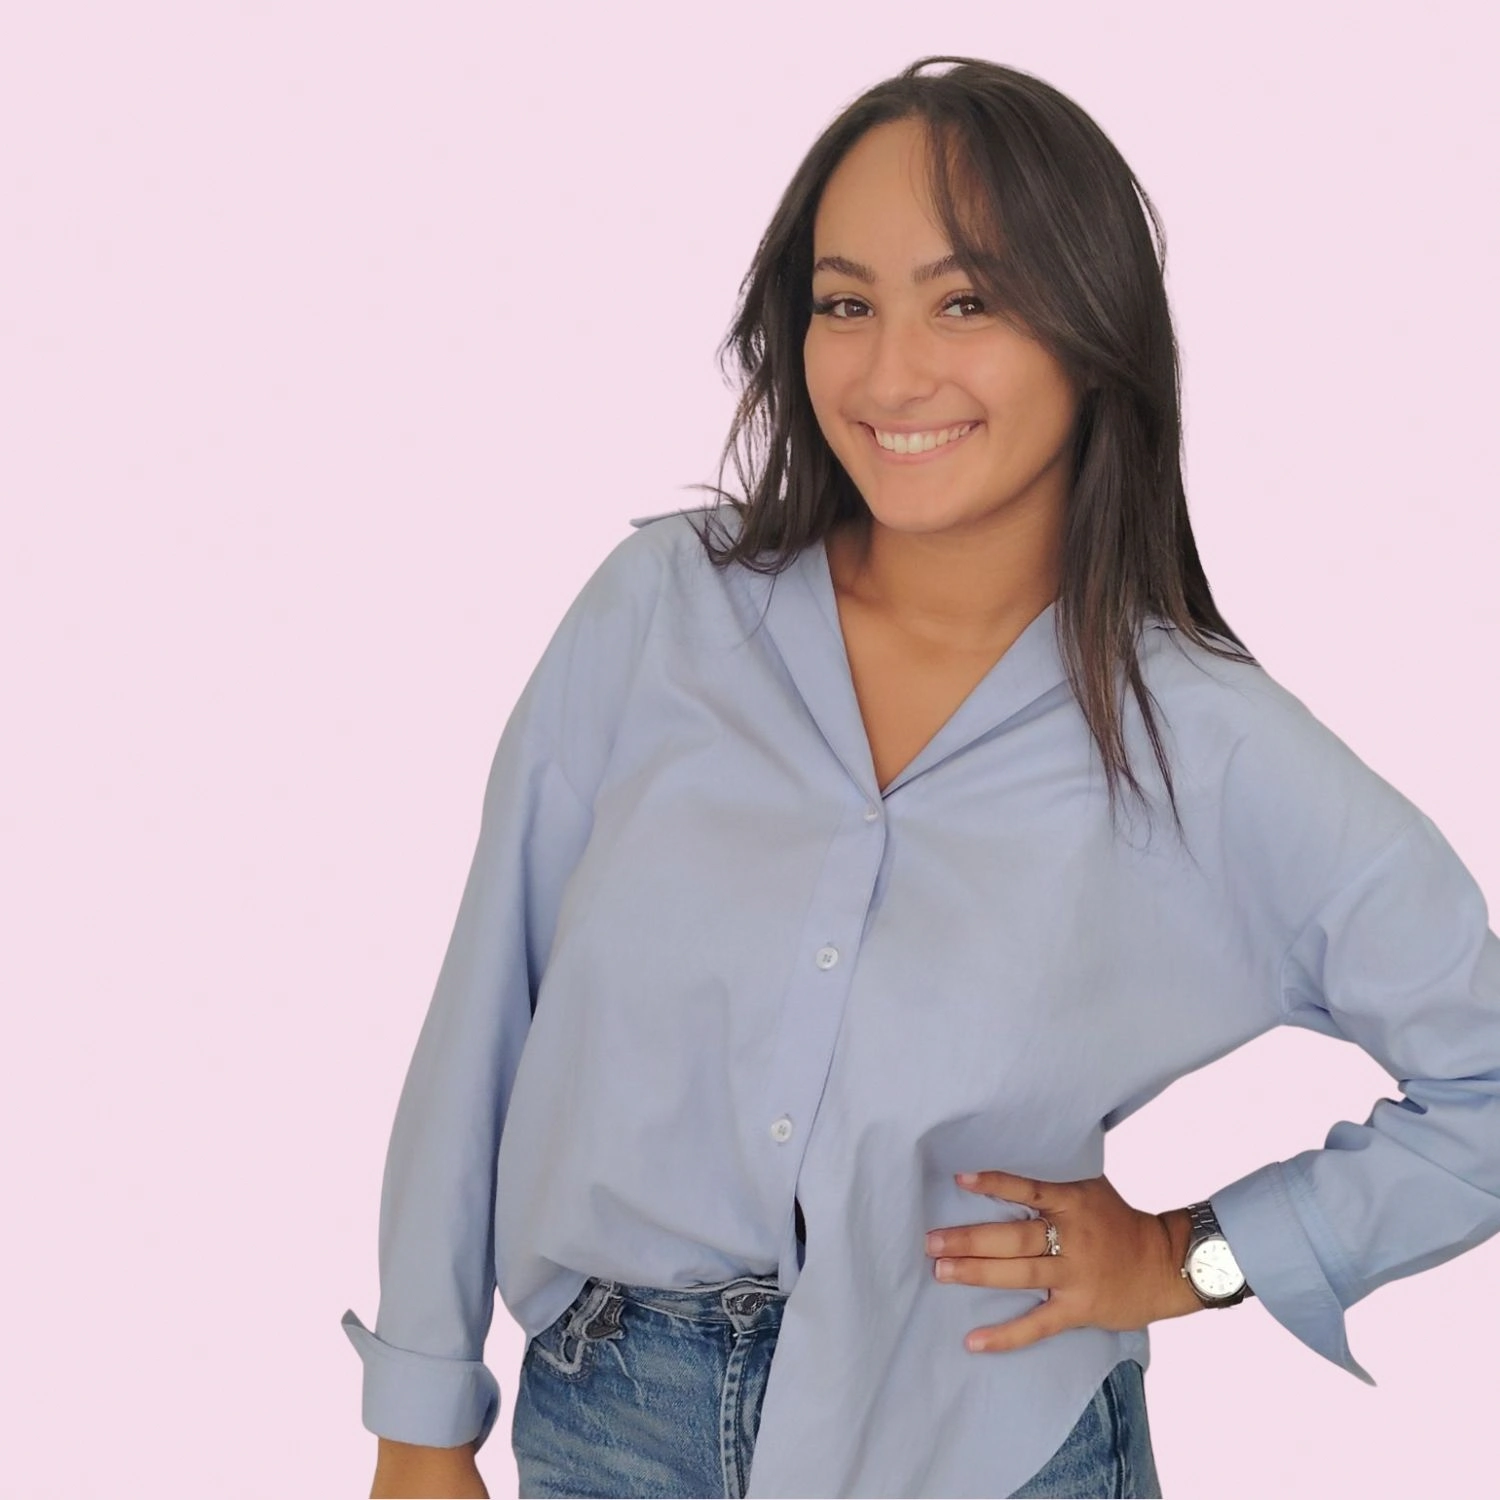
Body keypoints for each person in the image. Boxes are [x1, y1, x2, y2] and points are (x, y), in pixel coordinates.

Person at [341, 55, 1500, 1499]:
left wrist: (1195, 1255)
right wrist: (420, 1411)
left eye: (967, 302)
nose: (890, 373)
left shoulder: (1202, 741)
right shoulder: (662, 615)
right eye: (846, 304)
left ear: (1094, 333)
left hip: (991, 1443)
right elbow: (487, 1005)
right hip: (612, 1427)